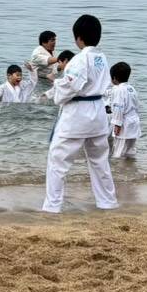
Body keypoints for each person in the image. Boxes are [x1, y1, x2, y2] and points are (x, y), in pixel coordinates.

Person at [42, 14, 117, 213]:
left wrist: (57, 86)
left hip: (78, 114)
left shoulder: (79, 59)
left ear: (78, 38)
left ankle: (52, 206)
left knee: (58, 161)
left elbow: (71, 86)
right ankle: (107, 202)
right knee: (99, 161)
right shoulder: (101, 57)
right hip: (98, 112)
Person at [108, 61, 140, 160]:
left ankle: (119, 167)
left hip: (124, 124)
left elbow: (118, 108)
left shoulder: (118, 90)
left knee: (119, 151)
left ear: (114, 78)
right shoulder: (131, 88)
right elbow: (136, 105)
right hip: (134, 122)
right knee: (130, 150)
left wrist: (117, 125)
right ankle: (130, 165)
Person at [23, 31, 59, 101]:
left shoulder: (52, 51)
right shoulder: (37, 53)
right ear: (44, 42)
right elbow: (48, 60)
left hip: (49, 81)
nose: (54, 42)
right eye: (52, 40)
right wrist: (63, 59)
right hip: (38, 83)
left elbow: (56, 66)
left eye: (55, 40)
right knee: (38, 101)